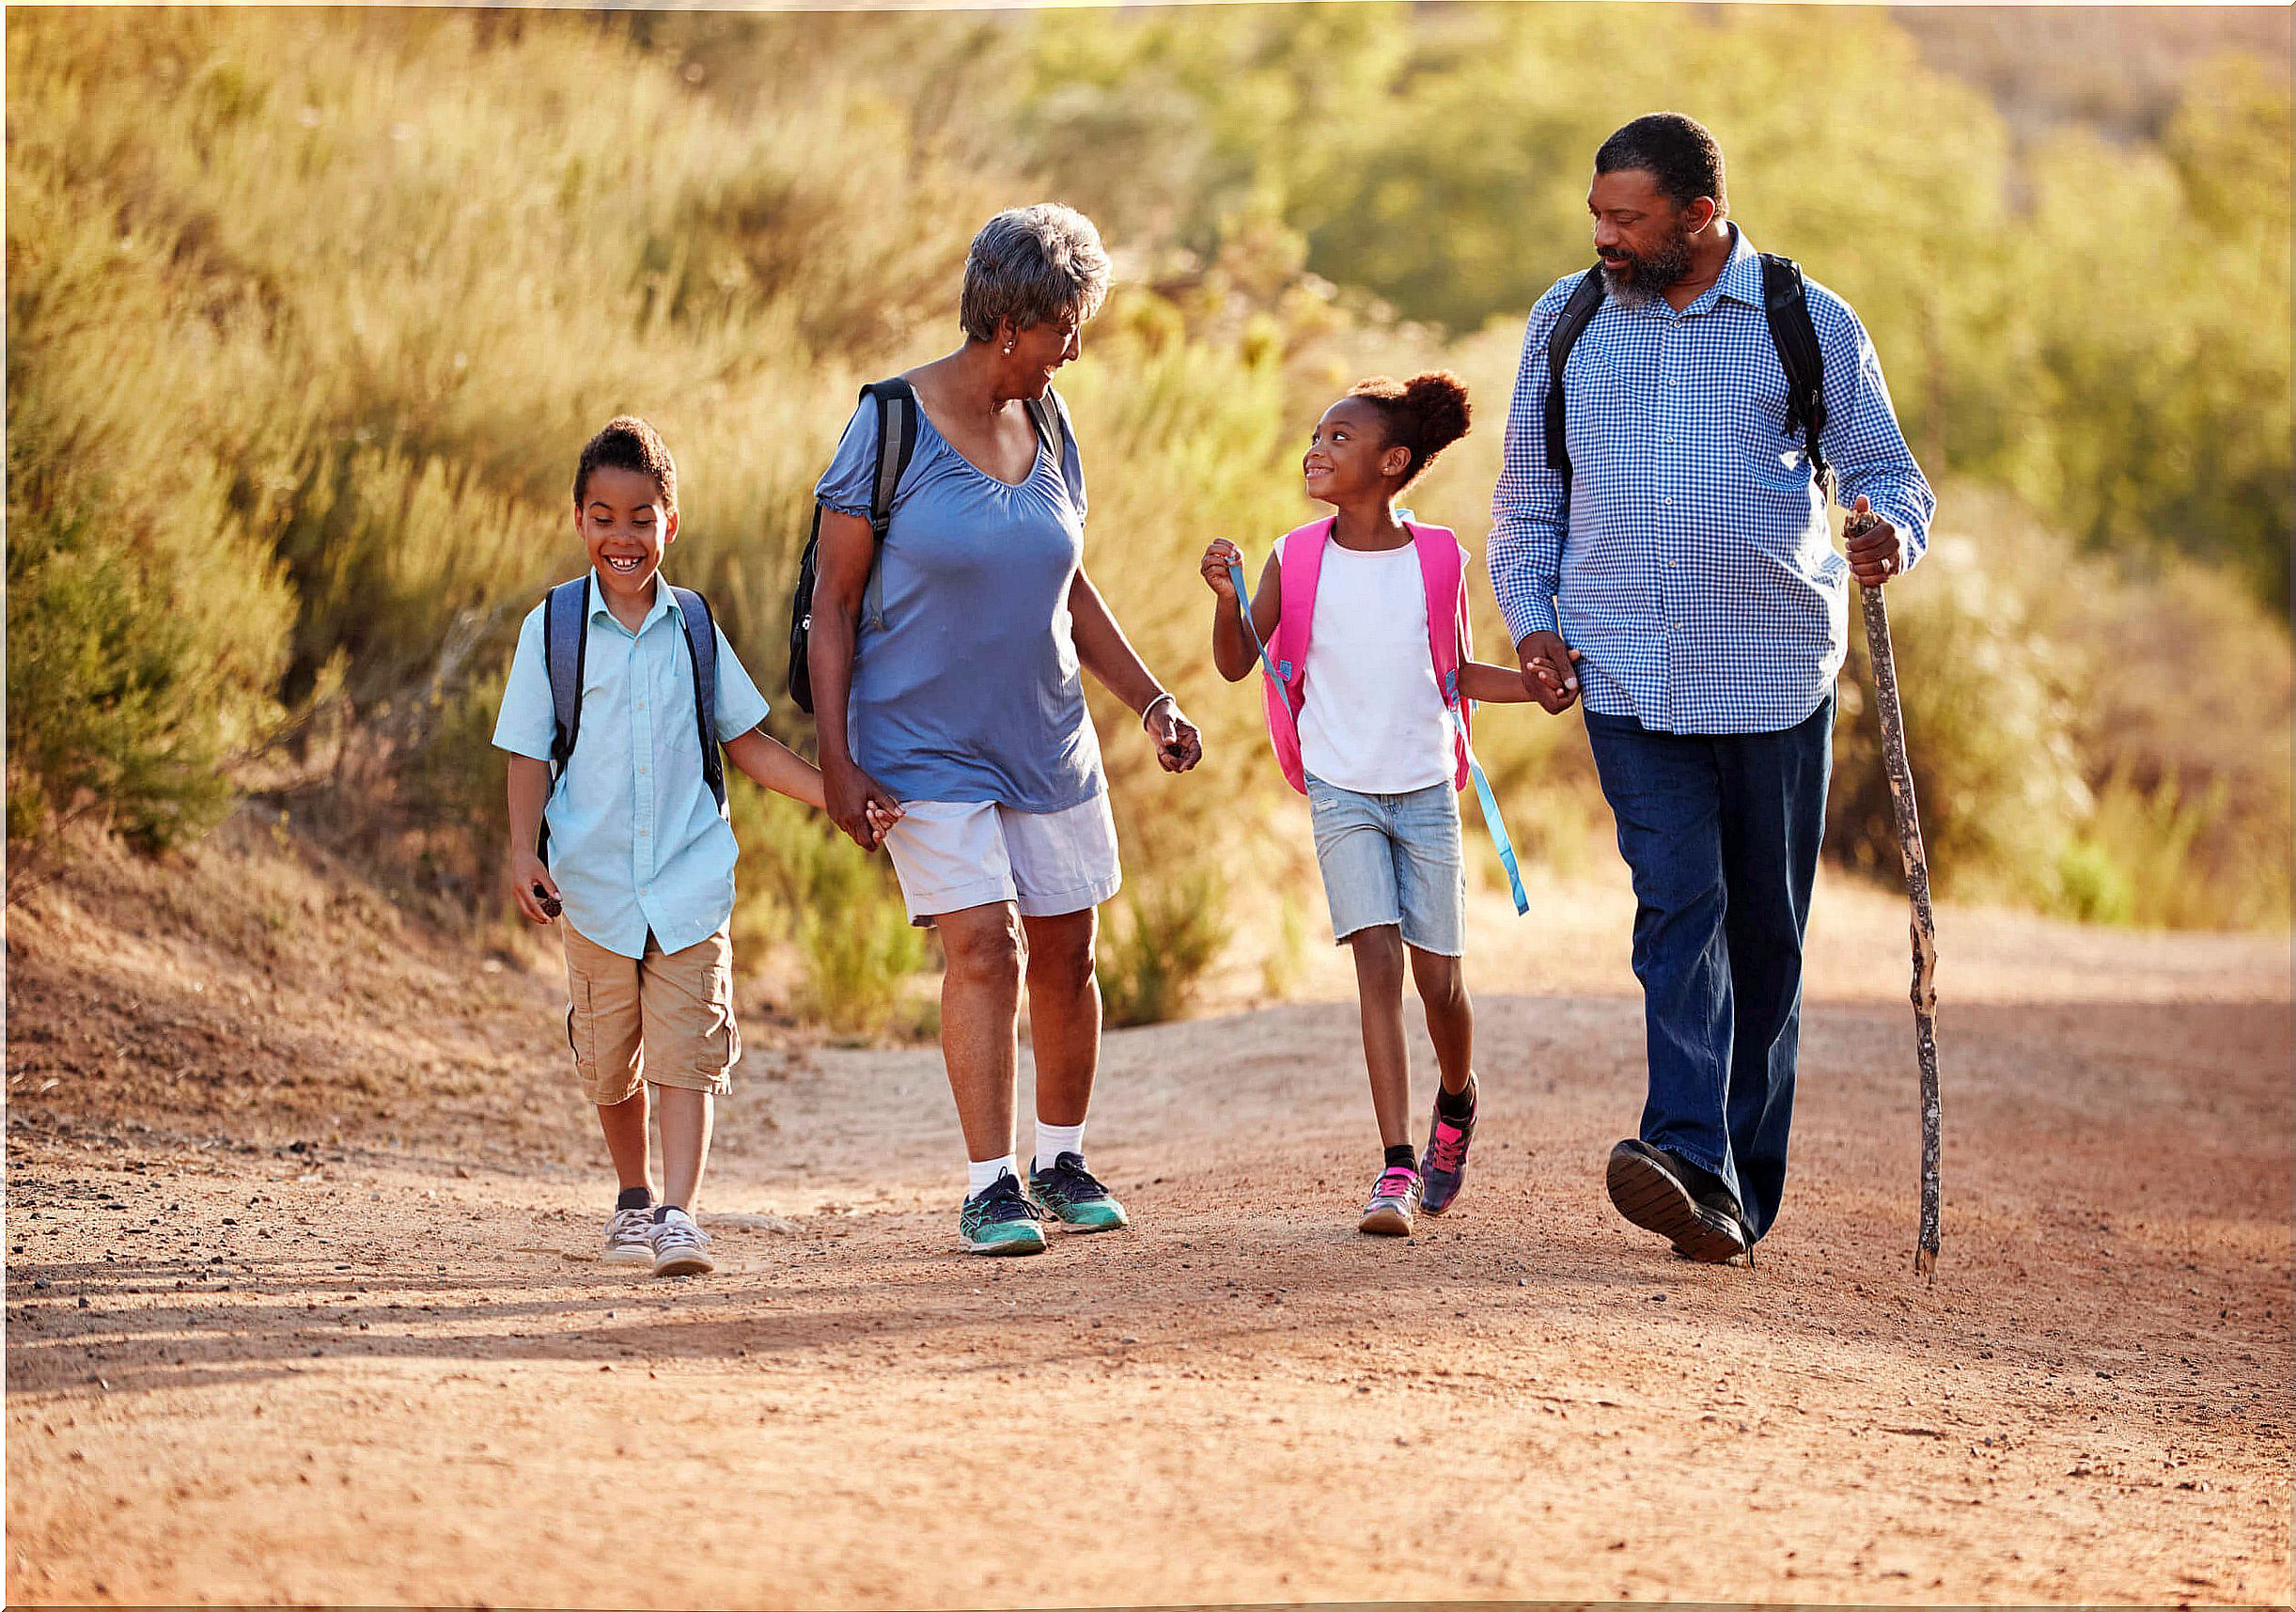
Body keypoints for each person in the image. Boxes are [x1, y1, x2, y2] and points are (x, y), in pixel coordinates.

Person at [1491, 113, 1935, 1263]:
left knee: (1766, 936)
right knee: (1676, 908)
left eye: (1625, 218)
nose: (1602, 236)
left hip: (1774, 674)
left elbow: (1885, 471)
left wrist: (1888, 534)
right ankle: (1684, 1148)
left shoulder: (1805, 320)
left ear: (1697, 216)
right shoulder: (1568, 318)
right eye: (1596, 213)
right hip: (1624, 670)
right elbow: (1527, 502)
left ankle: (1737, 1192)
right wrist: (1533, 624)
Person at [807, 204, 1204, 1257]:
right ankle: (990, 1184)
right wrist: (837, 762)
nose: (1074, 350)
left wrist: (1152, 698)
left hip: (1047, 736)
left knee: (1068, 952)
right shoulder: (889, 424)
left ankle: (1061, 1159)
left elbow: (1069, 585)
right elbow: (832, 606)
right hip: (920, 743)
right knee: (985, 946)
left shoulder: (1052, 422)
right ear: (1009, 322)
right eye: (1064, 328)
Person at [495, 416, 891, 1277]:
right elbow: (529, 748)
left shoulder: (694, 628)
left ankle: (679, 1212)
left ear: (670, 522)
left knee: (688, 1053)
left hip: (687, 881)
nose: (623, 536)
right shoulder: (553, 628)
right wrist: (523, 852)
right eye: (603, 517)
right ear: (579, 523)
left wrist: (838, 791)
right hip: (593, 886)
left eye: (642, 517)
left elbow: (746, 744)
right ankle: (633, 1195)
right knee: (609, 1064)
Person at [1200, 373, 1546, 1237]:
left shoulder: (1438, 558)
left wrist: (1534, 687)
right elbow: (1238, 664)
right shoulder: (1294, 556)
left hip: (1425, 786)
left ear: (1393, 463)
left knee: (1440, 981)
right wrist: (1226, 599)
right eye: (1316, 435)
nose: (1316, 449)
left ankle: (1456, 1102)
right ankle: (1395, 1164)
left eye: (1339, 439)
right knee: (1377, 969)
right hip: (1340, 788)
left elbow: (1456, 671)